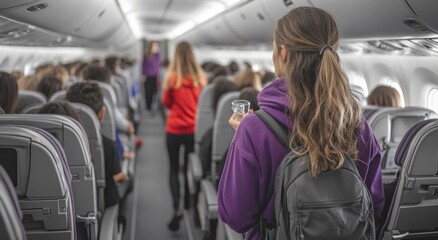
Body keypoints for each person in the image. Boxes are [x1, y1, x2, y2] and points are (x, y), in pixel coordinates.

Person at [218, 7, 384, 239]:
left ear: (283, 53)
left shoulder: (253, 130)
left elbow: (236, 216)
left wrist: (243, 137)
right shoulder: (360, 127)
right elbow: (374, 208)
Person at [162, 41, 206, 231]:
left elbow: (166, 103)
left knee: (173, 169)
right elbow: (203, 106)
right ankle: (190, 204)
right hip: (192, 130)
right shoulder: (200, 78)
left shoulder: (172, 78)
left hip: (174, 130)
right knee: (190, 169)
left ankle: (176, 208)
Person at [66, 81, 129, 209]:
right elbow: (113, 183)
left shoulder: (56, 145)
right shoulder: (107, 146)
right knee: (129, 180)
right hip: (101, 209)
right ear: (102, 113)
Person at [142, 41, 160, 112]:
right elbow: (143, 65)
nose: (155, 47)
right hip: (147, 76)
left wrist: (157, 53)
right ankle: (148, 105)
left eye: (156, 46)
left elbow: (158, 64)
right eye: (154, 46)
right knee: (147, 92)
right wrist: (143, 74)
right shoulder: (146, 55)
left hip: (155, 76)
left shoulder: (157, 55)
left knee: (154, 91)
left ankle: (152, 104)